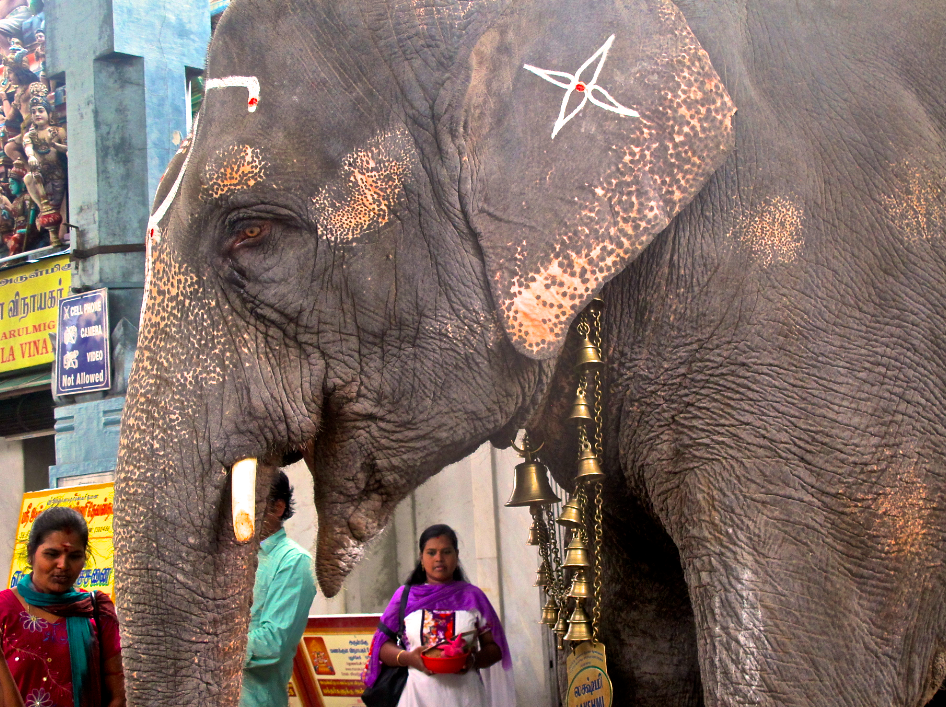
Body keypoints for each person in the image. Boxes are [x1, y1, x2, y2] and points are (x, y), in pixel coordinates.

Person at [364, 524, 516, 707]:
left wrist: (473, 660)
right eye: (431, 552)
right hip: (416, 697)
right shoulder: (405, 596)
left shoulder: (472, 596)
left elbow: (495, 647)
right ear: (421, 557)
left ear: (456, 555)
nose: (439, 558)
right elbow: (380, 645)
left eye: (446, 552)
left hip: (466, 698)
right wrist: (409, 657)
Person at [0, 506, 124, 707]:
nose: (63, 565)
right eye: (52, 554)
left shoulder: (96, 609)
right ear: (31, 554)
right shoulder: (4, 609)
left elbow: (118, 695)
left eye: (74, 556)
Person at [241, 472, 317, 707]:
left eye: (251, 502)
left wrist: (213, 647)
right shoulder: (232, 556)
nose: (240, 512)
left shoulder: (293, 561)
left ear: (278, 508)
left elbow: (273, 644)